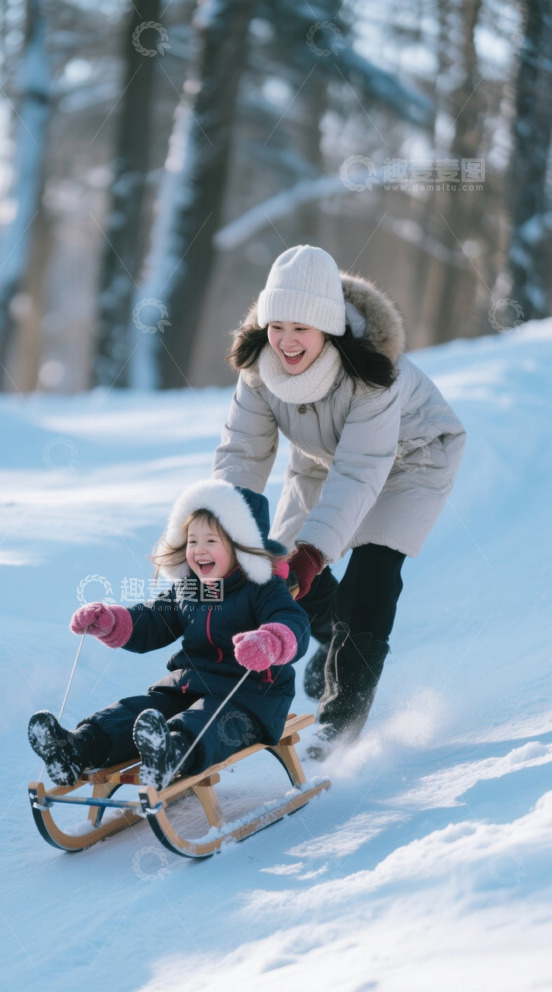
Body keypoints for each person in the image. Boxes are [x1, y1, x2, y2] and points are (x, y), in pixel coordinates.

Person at [213, 244, 466, 759]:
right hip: (323, 460)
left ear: (328, 328)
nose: (286, 341)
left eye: (301, 329)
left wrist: (315, 550)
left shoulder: (374, 373)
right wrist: (223, 531)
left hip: (411, 462)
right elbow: (242, 452)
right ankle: (326, 638)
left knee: (369, 578)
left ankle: (340, 724)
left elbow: (360, 471)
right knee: (283, 573)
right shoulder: (260, 369)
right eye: (276, 325)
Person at [28, 479, 310, 791]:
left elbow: (292, 620)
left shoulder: (264, 589)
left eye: (211, 541)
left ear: (240, 545)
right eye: (192, 541)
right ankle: (78, 748)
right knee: (138, 711)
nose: (199, 550)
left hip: (251, 696)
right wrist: (110, 621)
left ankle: (171, 752)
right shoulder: (188, 589)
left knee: (207, 719)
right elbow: (152, 620)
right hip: (187, 685)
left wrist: (270, 641)